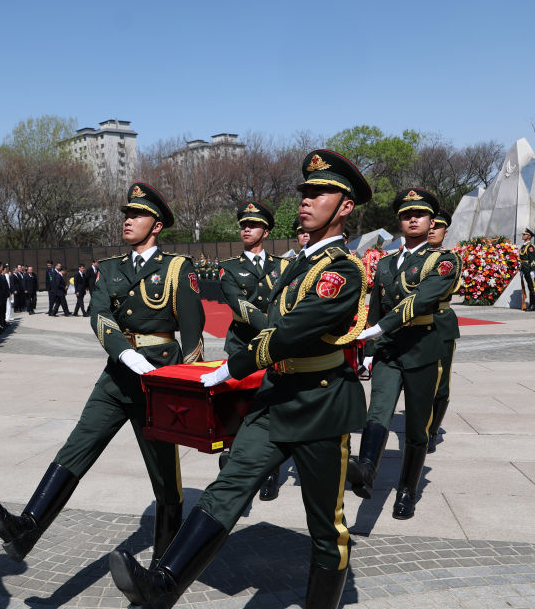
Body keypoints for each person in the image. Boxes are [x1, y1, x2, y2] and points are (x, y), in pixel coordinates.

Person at [109, 150, 371, 609]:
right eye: (305, 192)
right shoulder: (299, 263)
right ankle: (163, 584)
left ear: (345, 206)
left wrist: (231, 367)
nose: (306, 200)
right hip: (274, 397)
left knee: (325, 526)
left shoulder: (341, 270)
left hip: (320, 404)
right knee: (227, 487)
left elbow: (289, 333)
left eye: (320, 193)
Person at [0, 182, 205, 571]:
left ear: (157, 225)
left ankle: (164, 566)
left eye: (137, 215)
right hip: (118, 375)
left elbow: (192, 333)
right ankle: (27, 526)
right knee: (78, 445)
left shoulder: (176, 267)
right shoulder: (110, 268)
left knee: (164, 475)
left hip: (159, 380)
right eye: (126, 214)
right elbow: (99, 314)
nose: (128, 220)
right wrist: (125, 353)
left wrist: (186, 389)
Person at [349, 187, 460, 520]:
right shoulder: (385, 263)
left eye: (420, 215)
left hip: (422, 350)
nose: (413, 220)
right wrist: (369, 351)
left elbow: (422, 299)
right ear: (399, 221)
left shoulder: (443, 261)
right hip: (389, 351)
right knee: (378, 411)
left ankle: (407, 490)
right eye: (406, 215)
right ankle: (366, 471)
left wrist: (380, 328)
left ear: (431, 222)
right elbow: (375, 307)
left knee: (416, 427)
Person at [216, 200, 288, 501]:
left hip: (274, 348)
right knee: (239, 408)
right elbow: (241, 306)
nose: (247, 229)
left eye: (254, 225)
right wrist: (277, 329)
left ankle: (270, 471)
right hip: (243, 345)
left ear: (266, 231)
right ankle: (236, 465)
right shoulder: (229, 268)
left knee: (271, 407)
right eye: (244, 225)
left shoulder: (282, 266)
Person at [425, 210, 462, 453]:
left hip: (439, 323)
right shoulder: (406, 257)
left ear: (445, 232)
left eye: (437, 226)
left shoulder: (449, 259)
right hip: (410, 324)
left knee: (440, 382)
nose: (431, 230)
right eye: (430, 225)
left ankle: (431, 430)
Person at [519, 228, 535, 311]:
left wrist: (532, 270)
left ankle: (533, 305)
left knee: (533, 287)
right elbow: (522, 259)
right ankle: (531, 305)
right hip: (525, 269)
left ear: (529, 236)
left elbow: (533, 259)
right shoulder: (524, 246)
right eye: (523, 234)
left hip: (530, 269)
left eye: (525, 234)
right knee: (529, 287)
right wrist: (521, 270)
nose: (523, 236)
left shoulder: (530, 246)